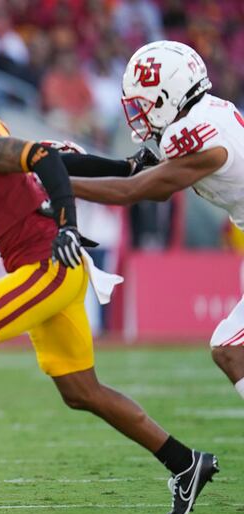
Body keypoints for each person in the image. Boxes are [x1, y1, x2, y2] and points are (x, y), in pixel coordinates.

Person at [0, 49, 216, 514]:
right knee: (81, 390)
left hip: (47, 262)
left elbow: (40, 158)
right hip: (49, 261)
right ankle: (186, 462)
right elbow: (57, 156)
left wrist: (67, 224)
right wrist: (124, 167)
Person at [65, 41, 244, 406]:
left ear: (167, 97)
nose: (140, 114)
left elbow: (136, 190)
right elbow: (135, 171)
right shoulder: (207, 113)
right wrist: (68, 164)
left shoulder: (197, 135)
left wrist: (58, 185)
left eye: (144, 103)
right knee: (230, 348)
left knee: (230, 348)